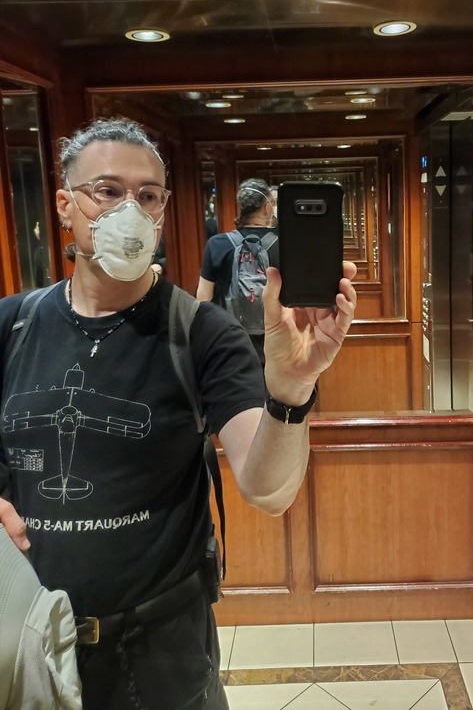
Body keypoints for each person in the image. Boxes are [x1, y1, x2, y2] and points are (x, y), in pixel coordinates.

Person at [0, 117, 357, 710]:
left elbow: (269, 489)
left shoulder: (200, 332)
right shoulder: (12, 326)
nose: (130, 211)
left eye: (148, 196)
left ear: (162, 211)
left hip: (161, 654)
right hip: (25, 644)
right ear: (65, 206)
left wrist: (292, 387)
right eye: (107, 191)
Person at [196, 178, 279, 365]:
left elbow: (203, 298)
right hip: (275, 341)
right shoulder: (283, 245)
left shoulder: (216, 244)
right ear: (267, 208)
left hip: (231, 340)